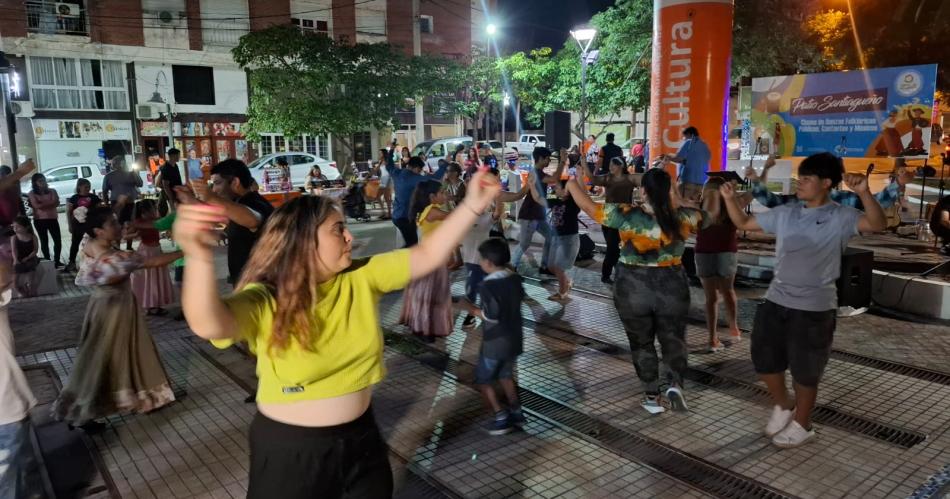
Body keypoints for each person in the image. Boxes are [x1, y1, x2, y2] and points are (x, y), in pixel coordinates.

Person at [173, 169, 501, 498]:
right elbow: (209, 324)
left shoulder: (360, 277)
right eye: (338, 230)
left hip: (362, 438)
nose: (349, 238)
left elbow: (428, 254)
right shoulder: (267, 297)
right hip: (293, 451)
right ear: (302, 240)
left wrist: (472, 204)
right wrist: (198, 256)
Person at [719, 152, 885, 448]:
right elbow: (744, 220)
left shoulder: (840, 216)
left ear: (826, 183)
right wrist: (730, 198)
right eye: (801, 176)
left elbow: (877, 224)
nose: (801, 183)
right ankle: (783, 405)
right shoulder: (787, 212)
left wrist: (863, 192)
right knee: (764, 360)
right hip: (776, 300)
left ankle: (803, 423)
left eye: (807, 178)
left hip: (815, 307)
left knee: (806, 370)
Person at [565, 168, 710, 414]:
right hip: (672, 285)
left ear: (643, 191)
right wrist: (678, 198)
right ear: (667, 192)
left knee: (641, 343)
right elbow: (709, 217)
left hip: (632, 286)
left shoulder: (626, 214)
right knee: (673, 339)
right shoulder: (685, 217)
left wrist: (571, 184)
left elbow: (590, 208)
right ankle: (675, 384)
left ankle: (652, 397)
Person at [52, 206, 180, 428]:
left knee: (100, 355)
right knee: (110, 356)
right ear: (99, 230)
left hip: (102, 306)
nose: (119, 226)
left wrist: (124, 231)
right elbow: (153, 262)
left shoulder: (90, 244)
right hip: (115, 311)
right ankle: (89, 408)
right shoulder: (115, 259)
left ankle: (94, 407)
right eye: (113, 224)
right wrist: (187, 250)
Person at [460, 238, 526, 435]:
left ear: (488, 262)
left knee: (482, 379)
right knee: (506, 375)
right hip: (515, 338)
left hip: (495, 342)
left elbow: (491, 316)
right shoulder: (515, 278)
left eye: (481, 260)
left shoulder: (487, 286)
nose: (480, 263)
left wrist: (469, 308)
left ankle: (501, 417)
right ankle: (517, 412)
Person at [190, 159, 275, 286]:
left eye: (217, 183)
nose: (214, 189)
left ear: (235, 182)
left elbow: (252, 220)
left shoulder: (253, 202)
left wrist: (212, 198)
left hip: (258, 284)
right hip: (247, 281)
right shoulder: (238, 203)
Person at [0, 260, 42, 499]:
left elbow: (4, 273)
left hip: (8, 409)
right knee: (11, 486)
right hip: (5, 413)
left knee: (20, 480)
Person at [696, 177, 751, 352]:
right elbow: (755, 192)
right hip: (727, 252)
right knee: (728, 291)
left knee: (710, 298)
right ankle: (733, 327)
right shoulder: (731, 205)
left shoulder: (700, 206)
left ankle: (712, 339)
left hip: (704, 253)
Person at [399, 181, 453, 342]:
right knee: (431, 296)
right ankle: (425, 329)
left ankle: (423, 327)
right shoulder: (433, 211)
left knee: (426, 294)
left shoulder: (427, 210)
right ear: (432, 196)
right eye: (442, 193)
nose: (445, 195)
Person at [579, 154, 639, 284]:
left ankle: (612, 273)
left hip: (623, 218)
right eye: (610, 164)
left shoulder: (630, 178)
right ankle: (608, 274)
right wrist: (584, 165)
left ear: (621, 166)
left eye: (613, 164)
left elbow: (647, 179)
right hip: (609, 218)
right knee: (613, 248)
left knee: (616, 248)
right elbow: (593, 179)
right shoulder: (607, 178)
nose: (610, 166)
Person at [510, 147, 564, 273]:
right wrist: (563, 162)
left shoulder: (537, 172)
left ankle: (544, 266)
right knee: (524, 243)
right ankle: (512, 267)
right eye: (547, 159)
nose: (549, 161)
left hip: (538, 215)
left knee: (551, 237)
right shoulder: (536, 173)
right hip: (529, 215)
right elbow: (554, 179)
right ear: (540, 159)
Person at [387, 143, 448, 248]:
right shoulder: (414, 178)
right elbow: (436, 177)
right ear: (414, 167)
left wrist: (391, 150)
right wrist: (446, 163)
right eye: (419, 170)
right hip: (405, 217)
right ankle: (399, 260)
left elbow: (389, 164)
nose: (420, 173)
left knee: (411, 242)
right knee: (412, 245)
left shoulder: (396, 173)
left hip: (397, 215)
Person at [542, 164, 585, 301]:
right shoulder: (554, 201)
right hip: (555, 238)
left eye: (558, 187)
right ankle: (567, 282)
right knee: (550, 266)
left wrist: (580, 177)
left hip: (569, 239)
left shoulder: (573, 203)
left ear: (566, 189)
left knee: (559, 267)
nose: (555, 189)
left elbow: (583, 194)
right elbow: (540, 198)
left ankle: (562, 292)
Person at [129, 199, 175, 316]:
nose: (156, 211)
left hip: (156, 249)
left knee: (155, 279)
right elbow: (126, 234)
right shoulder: (139, 222)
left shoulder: (155, 220)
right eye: (154, 209)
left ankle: (155, 304)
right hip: (146, 251)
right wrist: (135, 235)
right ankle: (150, 305)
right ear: (145, 211)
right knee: (150, 279)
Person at [664, 126, 710, 203]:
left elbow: (679, 158)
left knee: (684, 205)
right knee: (696, 206)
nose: (683, 139)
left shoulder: (689, 142)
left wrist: (668, 157)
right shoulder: (704, 145)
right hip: (702, 184)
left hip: (688, 183)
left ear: (689, 134)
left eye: (684, 137)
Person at [65, 179, 102, 273]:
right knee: (75, 243)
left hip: (91, 225)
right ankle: (72, 262)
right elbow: (69, 212)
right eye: (85, 187)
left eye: (89, 186)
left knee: (94, 243)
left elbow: (100, 211)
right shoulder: (74, 198)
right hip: (77, 225)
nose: (88, 188)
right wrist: (70, 225)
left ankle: (96, 262)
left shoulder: (94, 197)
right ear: (79, 187)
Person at [28, 173, 62, 268]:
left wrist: (42, 204)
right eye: (40, 181)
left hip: (52, 218)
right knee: (44, 241)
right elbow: (36, 206)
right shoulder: (32, 193)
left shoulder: (52, 191)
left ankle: (57, 260)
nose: (43, 182)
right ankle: (48, 260)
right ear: (35, 183)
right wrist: (50, 203)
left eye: (44, 180)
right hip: (39, 220)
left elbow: (56, 203)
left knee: (58, 241)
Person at [10, 217, 39, 298]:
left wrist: (27, 257)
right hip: (18, 258)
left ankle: (31, 288)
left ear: (26, 227)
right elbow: (14, 250)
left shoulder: (33, 236)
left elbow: (35, 250)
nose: (15, 229)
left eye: (18, 227)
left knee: (31, 269)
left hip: (30, 257)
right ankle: (23, 291)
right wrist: (15, 260)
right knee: (15, 283)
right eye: (13, 227)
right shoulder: (14, 238)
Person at [371, 149, 393, 220]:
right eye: (379, 153)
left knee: (386, 197)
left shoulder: (387, 160)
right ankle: (384, 212)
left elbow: (390, 169)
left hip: (388, 179)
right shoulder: (381, 161)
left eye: (380, 153)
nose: (379, 154)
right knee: (378, 196)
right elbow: (376, 170)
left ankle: (388, 213)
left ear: (384, 154)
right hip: (383, 179)